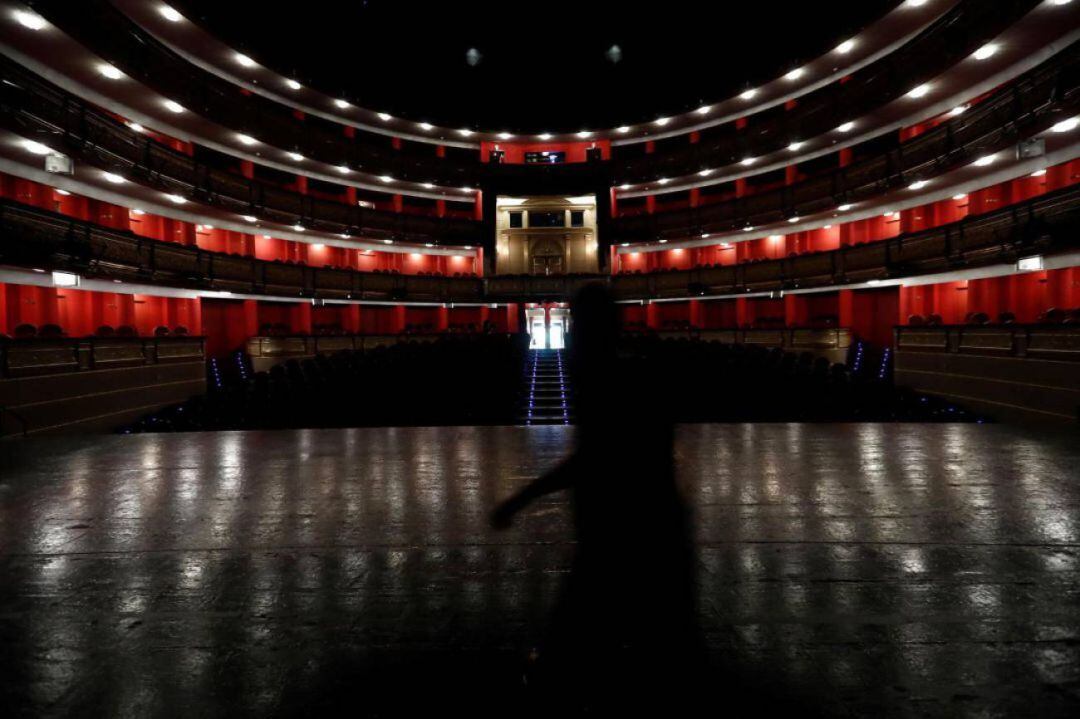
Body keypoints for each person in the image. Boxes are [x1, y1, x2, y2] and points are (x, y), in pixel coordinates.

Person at [492, 282, 703, 710]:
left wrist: (520, 499)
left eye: (577, 325)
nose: (571, 337)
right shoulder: (628, 375)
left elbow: (596, 460)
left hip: (628, 535)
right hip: (641, 533)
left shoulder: (617, 381)